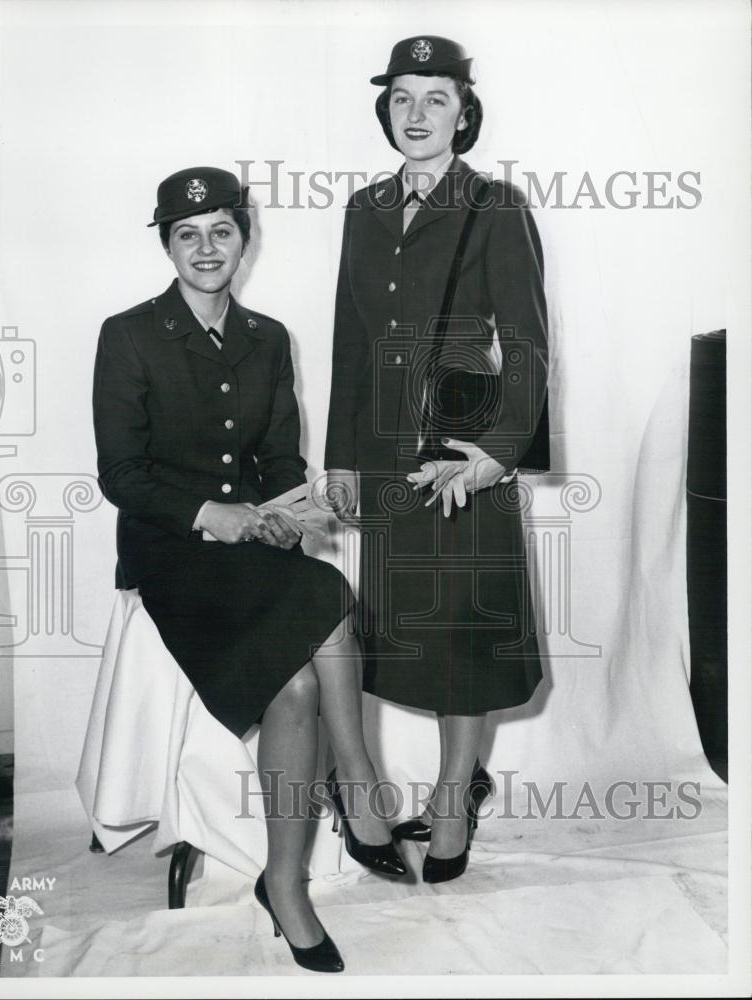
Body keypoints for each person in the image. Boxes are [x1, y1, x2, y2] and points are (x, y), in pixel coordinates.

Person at [92, 166, 407, 974]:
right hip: (173, 551)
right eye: (187, 234)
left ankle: (313, 837)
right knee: (299, 670)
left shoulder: (268, 336)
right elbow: (122, 475)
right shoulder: (126, 334)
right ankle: (338, 821)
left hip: (258, 540)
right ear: (166, 243)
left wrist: (293, 505)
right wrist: (213, 516)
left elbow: (278, 456)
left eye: (222, 231)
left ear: (245, 239)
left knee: (324, 596)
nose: (206, 248)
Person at [324, 37, 550, 884]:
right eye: (402, 98)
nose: (416, 115)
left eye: (437, 99)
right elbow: (351, 341)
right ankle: (436, 786)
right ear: (386, 110)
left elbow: (527, 343)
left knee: (468, 633)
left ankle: (454, 797)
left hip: (463, 452)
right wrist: (341, 460)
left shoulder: (495, 204)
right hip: (385, 458)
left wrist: (496, 456)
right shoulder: (363, 207)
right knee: (408, 634)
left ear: (465, 111)